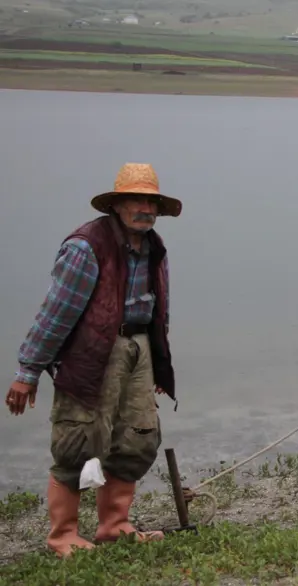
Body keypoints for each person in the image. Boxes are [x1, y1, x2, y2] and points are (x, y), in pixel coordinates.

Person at [4, 162, 182, 558]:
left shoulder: (154, 246)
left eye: (152, 201)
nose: (145, 208)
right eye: (137, 199)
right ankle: (62, 535)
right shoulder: (86, 246)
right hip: (90, 352)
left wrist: (156, 362)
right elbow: (57, 312)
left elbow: (158, 310)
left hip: (137, 350)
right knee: (78, 440)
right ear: (117, 204)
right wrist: (27, 371)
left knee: (138, 437)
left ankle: (113, 527)